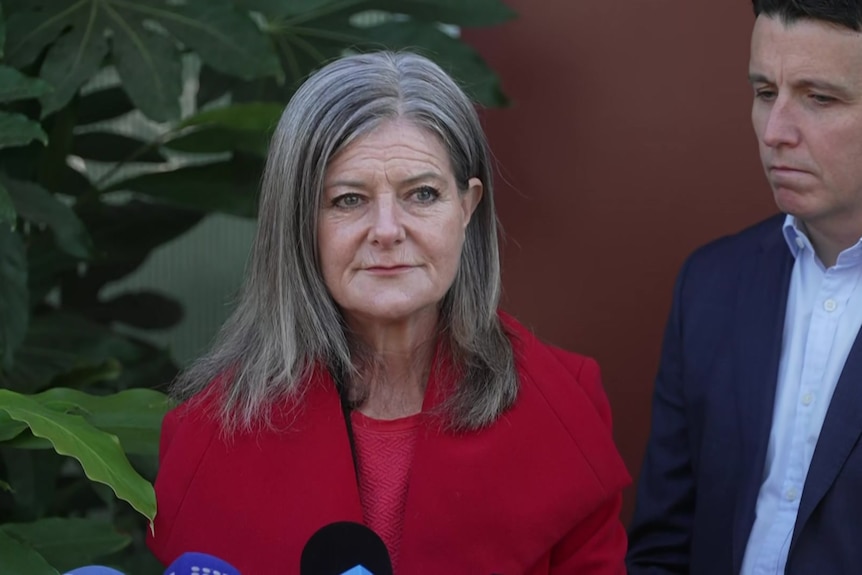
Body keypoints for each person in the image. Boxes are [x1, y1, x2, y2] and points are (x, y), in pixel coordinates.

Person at [146, 51, 630, 574]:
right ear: (300, 221)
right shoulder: (206, 434)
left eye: (422, 194)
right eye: (348, 200)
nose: (386, 229)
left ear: (467, 208)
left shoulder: (564, 404)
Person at [626, 1, 862, 574]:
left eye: (819, 98)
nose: (776, 132)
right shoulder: (711, 285)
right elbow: (663, 543)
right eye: (764, 92)